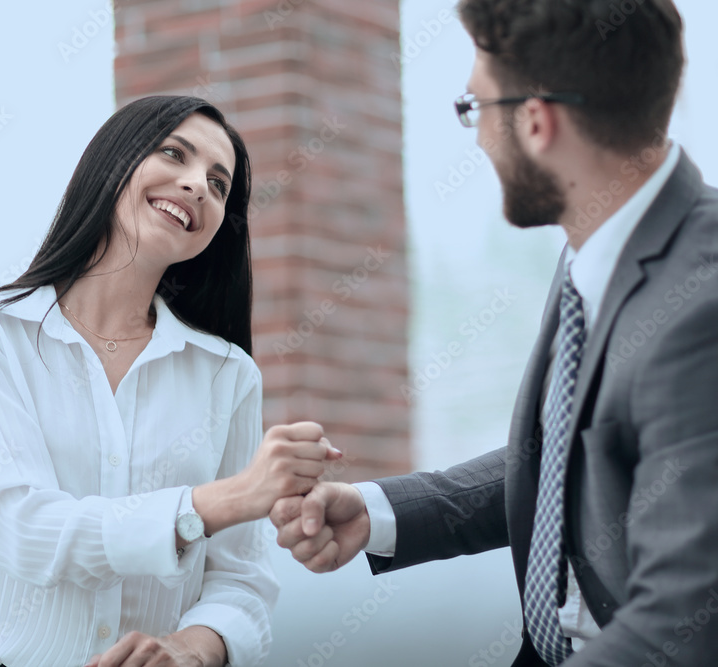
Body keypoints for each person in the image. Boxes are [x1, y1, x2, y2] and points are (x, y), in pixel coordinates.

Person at [271, 0, 718, 665]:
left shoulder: (699, 304)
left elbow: (679, 623)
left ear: (536, 122)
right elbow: (569, 457)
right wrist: (380, 511)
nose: (477, 136)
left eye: (475, 108)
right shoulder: (595, 248)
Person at [0, 95, 340, 667]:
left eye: (219, 185)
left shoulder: (227, 374)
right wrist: (220, 501)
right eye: (174, 154)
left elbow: (242, 581)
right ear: (113, 162)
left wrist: (188, 650)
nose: (198, 186)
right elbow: (23, 527)